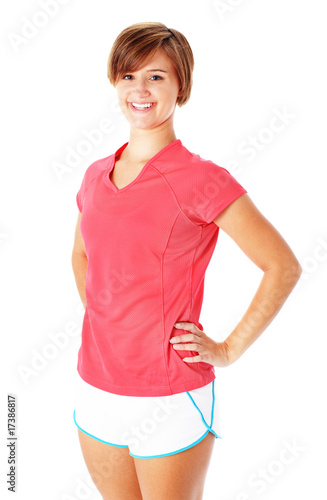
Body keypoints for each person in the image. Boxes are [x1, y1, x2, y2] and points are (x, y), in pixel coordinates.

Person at [71, 21, 302, 500]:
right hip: (95, 389)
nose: (140, 89)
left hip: (170, 397)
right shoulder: (95, 174)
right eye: (128, 75)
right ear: (114, 82)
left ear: (182, 87)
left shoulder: (201, 179)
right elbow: (81, 254)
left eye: (156, 76)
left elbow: (282, 265)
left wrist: (228, 349)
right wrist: (107, 319)